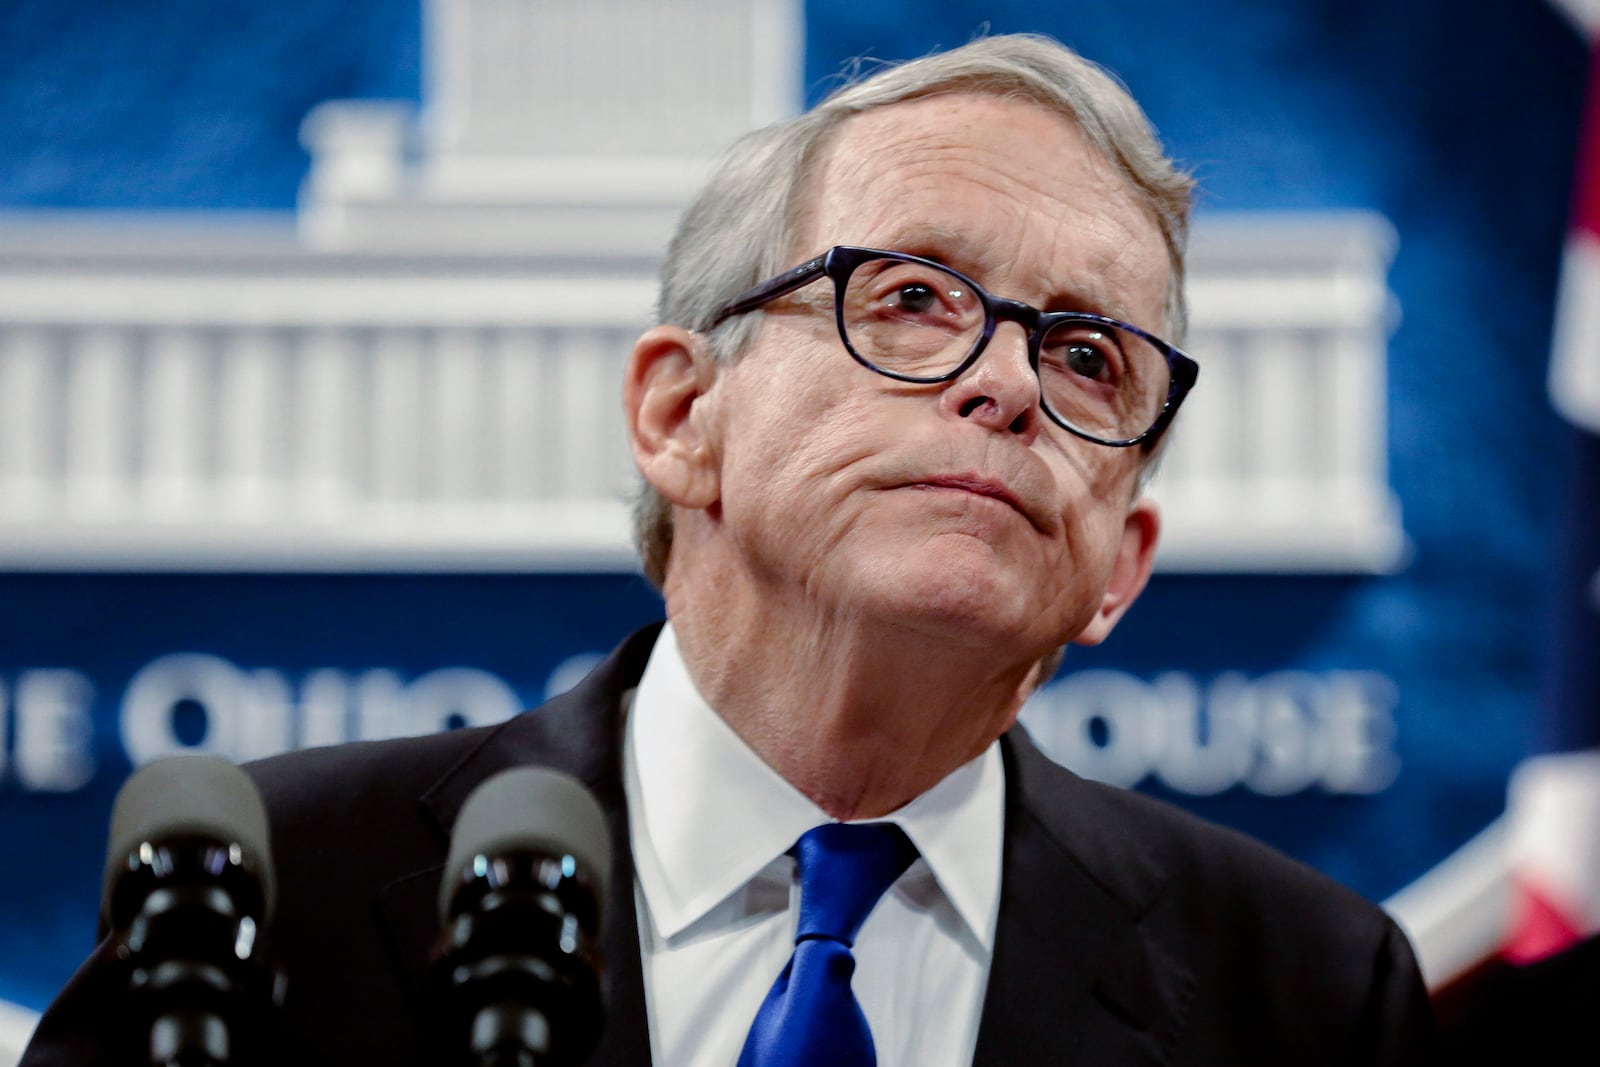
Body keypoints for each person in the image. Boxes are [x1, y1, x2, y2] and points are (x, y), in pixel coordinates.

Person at [23, 32, 1437, 1066]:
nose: (1006, 384)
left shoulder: (1306, 996)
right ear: (682, 413)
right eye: (912, 299)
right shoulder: (277, 892)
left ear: (1120, 565)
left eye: (1087, 354)